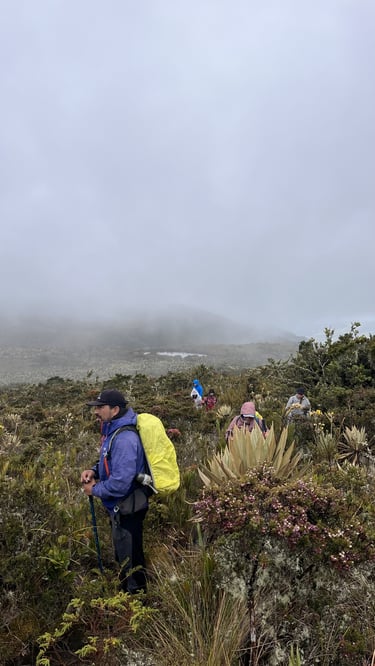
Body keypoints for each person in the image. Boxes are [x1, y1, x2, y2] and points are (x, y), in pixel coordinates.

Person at [81, 388, 150, 595]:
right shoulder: (113, 430)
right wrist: (93, 471)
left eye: (100, 407)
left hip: (127, 507)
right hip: (122, 507)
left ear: (115, 409)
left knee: (130, 558)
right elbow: (110, 461)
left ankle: (136, 599)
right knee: (125, 553)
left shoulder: (125, 438)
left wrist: (94, 489)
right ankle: (129, 591)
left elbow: (120, 482)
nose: (96, 411)